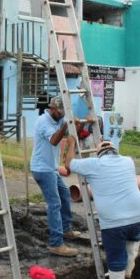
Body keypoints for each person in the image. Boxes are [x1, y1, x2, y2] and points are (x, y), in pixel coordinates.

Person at [66, 141, 140, 279]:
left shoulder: (93, 164)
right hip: (139, 214)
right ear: (115, 150)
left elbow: (68, 164)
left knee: (116, 258)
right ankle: (129, 269)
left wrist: (71, 144)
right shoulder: (128, 161)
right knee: (132, 241)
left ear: (99, 153)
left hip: (114, 221)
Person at [30, 97, 81, 257]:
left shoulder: (58, 118)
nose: (62, 115)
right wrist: (66, 125)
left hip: (51, 168)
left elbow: (71, 133)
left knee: (65, 195)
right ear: (51, 108)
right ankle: (56, 244)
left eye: (63, 113)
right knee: (54, 204)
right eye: (60, 112)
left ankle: (66, 230)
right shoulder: (43, 121)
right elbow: (53, 140)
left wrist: (78, 125)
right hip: (42, 170)